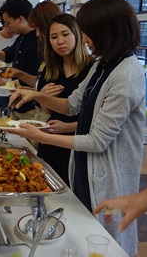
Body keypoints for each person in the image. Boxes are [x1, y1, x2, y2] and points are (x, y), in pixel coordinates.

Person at [6, 0, 145, 255]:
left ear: (107, 30)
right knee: (81, 232)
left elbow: (97, 140)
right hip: (82, 168)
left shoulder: (126, 74)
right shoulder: (102, 65)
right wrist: (36, 94)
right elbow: (72, 104)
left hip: (109, 176)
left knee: (107, 241)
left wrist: (41, 136)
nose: (85, 38)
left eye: (87, 32)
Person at [35, 14, 93, 185]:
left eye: (65, 34)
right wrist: (44, 99)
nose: (60, 41)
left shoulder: (92, 69)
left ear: (78, 34)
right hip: (51, 141)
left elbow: (97, 118)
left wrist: (68, 126)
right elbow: (47, 112)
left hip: (79, 143)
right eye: (54, 37)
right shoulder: (50, 70)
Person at [0, 0, 42, 120]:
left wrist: (3, 83)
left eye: (8, 23)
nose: (7, 27)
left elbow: (33, 80)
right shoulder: (21, 37)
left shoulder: (37, 42)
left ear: (20, 18)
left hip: (29, 107)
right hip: (16, 103)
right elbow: (9, 54)